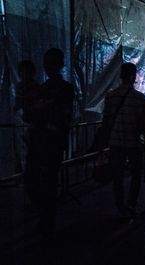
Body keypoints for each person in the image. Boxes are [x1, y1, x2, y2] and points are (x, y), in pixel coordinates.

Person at [24, 48, 74, 239]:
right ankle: (45, 219)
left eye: (52, 63)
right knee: (36, 182)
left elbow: (61, 116)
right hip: (44, 140)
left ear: (59, 65)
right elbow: (31, 114)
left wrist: (40, 111)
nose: (48, 67)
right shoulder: (45, 88)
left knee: (46, 183)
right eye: (47, 63)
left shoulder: (57, 89)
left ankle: (46, 222)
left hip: (49, 141)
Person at [102, 63, 145, 217]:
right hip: (133, 142)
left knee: (117, 176)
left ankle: (120, 205)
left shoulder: (110, 96)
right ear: (133, 77)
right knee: (136, 174)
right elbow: (142, 122)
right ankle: (131, 204)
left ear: (120, 76)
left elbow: (106, 119)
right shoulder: (139, 98)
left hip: (115, 142)